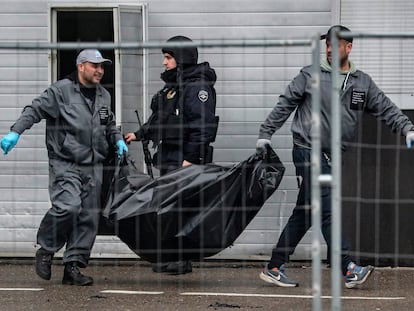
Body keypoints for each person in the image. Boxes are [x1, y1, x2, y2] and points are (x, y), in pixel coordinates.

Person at [256, 25, 414, 289]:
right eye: (326, 44)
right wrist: (265, 133)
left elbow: (386, 108)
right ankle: (349, 268)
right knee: (327, 209)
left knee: (306, 211)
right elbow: (285, 103)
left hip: (332, 155)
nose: (329, 49)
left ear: (348, 47)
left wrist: (408, 128)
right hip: (307, 148)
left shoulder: (361, 82)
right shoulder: (310, 75)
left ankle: (275, 265)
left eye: (335, 44)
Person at [0, 49, 128, 286]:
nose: (100, 70)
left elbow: (108, 122)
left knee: (88, 218)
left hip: (94, 164)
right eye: (95, 65)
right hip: (65, 162)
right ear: (81, 67)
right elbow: (34, 110)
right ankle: (46, 249)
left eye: (102, 66)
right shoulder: (60, 91)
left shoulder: (103, 95)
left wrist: (117, 138)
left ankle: (73, 268)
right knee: (68, 207)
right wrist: (15, 132)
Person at [124, 35, 218, 274]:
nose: (164, 63)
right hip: (170, 158)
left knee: (182, 210)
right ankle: (171, 256)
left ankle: (181, 259)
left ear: (182, 58)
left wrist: (191, 159)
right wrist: (138, 134)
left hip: (184, 161)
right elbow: (159, 121)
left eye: (168, 57)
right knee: (168, 209)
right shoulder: (174, 87)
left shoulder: (198, 87)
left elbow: (202, 127)